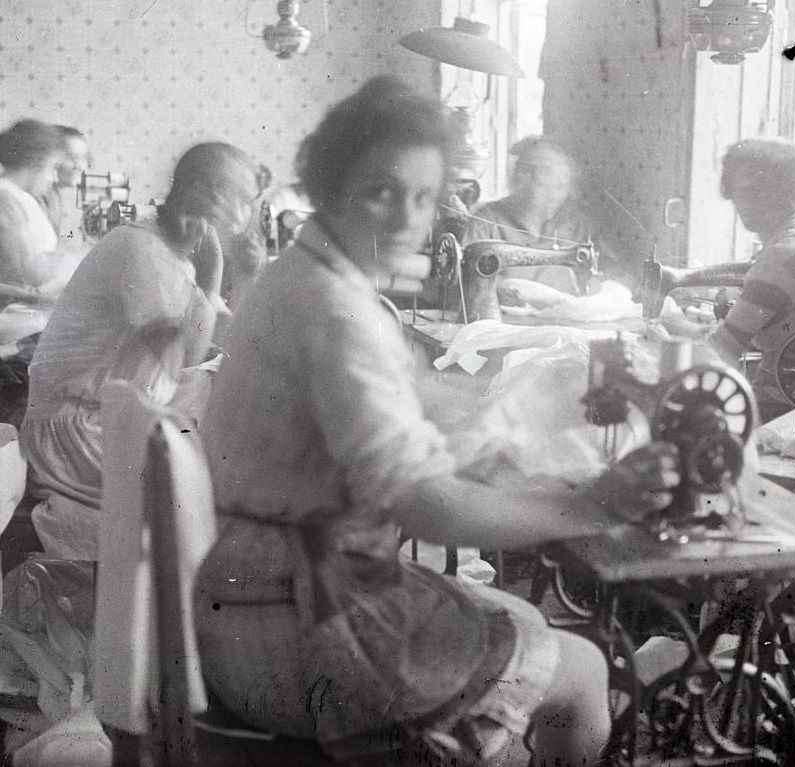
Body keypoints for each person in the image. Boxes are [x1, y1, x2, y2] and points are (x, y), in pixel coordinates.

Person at [193, 76, 680, 767]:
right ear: (329, 187)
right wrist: (589, 506)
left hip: (249, 598)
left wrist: (511, 419)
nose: (405, 218)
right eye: (381, 191)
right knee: (583, 669)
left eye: (423, 198)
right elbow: (425, 507)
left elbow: (394, 413)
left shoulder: (301, 276)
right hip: (304, 632)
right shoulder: (335, 311)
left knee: (524, 615)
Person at [19, 142, 261, 560]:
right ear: (206, 192)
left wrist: (245, 276)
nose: (248, 213)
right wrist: (214, 277)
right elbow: (186, 355)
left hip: (115, 414)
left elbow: (230, 335)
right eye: (244, 199)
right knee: (213, 495)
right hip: (76, 429)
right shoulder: (139, 247)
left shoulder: (174, 251)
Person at [665, 138, 795, 424]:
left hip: (783, 409)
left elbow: (721, 351)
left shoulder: (779, 258)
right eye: (740, 191)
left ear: (783, 193)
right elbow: (754, 270)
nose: (745, 202)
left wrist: (669, 327)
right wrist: (683, 279)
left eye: (758, 191)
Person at [462, 135, 596, 295]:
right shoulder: (485, 223)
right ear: (522, 179)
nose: (556, 196)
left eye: (561, 187)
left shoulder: (576, 223)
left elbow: (611, 272)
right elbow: (466, 283)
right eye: (548, 186)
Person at [0, 119, 69, 427]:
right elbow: (30, 271)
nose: (54, 178)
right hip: (15, 327)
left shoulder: (16, 198)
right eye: (53, 167)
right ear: (36, 161)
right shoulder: (8, 201)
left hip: (22, 320)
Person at [40, 125, 90, 237]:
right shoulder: (39, 199)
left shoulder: (54, 196)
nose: (80, 166)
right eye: (72, 157)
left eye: (84, 157)